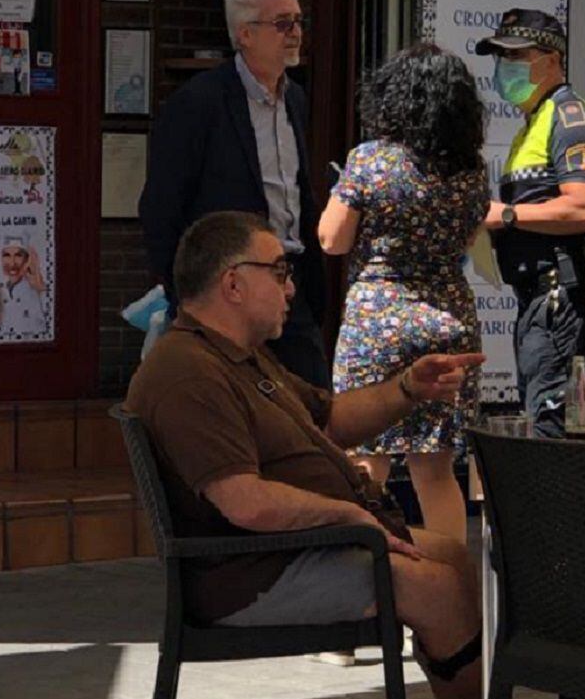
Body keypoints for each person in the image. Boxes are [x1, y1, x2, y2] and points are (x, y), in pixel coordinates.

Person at [125, 211, 484, 699]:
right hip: (247, 574)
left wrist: (408, 388)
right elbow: (245, 502)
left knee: (453, 558)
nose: (290, 288)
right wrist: (351, 515)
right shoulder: (188, 374)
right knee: (434, 587)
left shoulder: (237, 355)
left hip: (291, 552)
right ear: (233, 284)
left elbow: (331, 418)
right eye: (278, 272)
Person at [318, 43, 488, 546]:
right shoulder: (472, 169)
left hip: (379, 320)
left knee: (366, 461)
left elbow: (332, 239)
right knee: (434, 471)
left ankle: (369, 576)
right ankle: (451, 583)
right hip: (449, 320)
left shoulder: (369, 160)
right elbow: (470, 237)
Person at [139, 0, 328, 387]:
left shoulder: (294, 98)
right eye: (282, 23)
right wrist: (184, 297)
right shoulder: (199, 102)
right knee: (232, 413)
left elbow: (297, 193)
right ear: (245, 34)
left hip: (290, 285)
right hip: (227, 293)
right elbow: (161, 207)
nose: (295, 33)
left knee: (310, 412)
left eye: (298, 21)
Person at [475, 8, 585, 438]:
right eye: (500, 58)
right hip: (542, 299)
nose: (505, 68)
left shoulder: (573, 121)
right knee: (545, 420)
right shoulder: (534, 123)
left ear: (552, 60)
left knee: (554, 430)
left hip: (566, 298)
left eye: (517, 57)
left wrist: (507, 214)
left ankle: (560, 507)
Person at [0, 234, 46, 335]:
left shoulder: (39, 291)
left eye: (18, 255)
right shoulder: (0, 291)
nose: (12, 263)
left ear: (27, 260)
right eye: (6, 255)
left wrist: (40, 288)